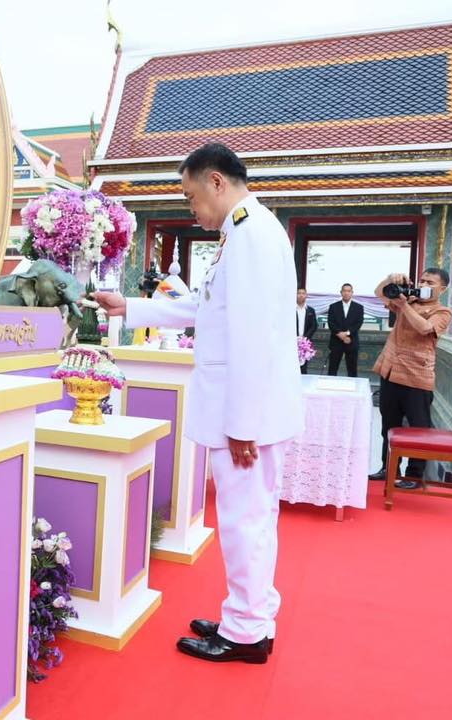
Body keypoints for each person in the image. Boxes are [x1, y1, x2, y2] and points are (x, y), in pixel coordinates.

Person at [93, 143, 303, 664]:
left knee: (243, 520)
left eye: (190, 196)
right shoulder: (245, 230)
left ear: (215, 181)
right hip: (248, 407)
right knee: (252, 517)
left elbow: (252, 336)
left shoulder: (250, 235)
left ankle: (245, 633)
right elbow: (205, 308)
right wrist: (132, 305)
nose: (191, 209)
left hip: (244, 412)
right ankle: (249, 614)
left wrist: (242, 424)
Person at [368, 270, 452, 489]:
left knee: (419, 429)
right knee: (388, 425)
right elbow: (379, 293)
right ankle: (389, 469)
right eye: (422, 280)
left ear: (442, 289)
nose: (424, 284)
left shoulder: (443, 311)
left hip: (417, 376)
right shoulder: (408, 298)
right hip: (391, 370)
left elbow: (425, 328)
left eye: (430, 282)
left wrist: (404, 305)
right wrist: (391, 279)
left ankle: (414, 476)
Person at [326, 283, 364, 377]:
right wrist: (340, 334)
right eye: (344, 291)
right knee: (332, 369)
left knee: (352, 370)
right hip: (336, 341)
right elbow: (331, 323)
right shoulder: (333, 306)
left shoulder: (359, 307)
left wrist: (347, 334)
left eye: (348, 291)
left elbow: (358, 323)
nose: (346, 293)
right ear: (341, 292)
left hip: (351, 341)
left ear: (352, 293)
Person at [296, 288, 318, 373]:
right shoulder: (290, 310)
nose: (301, 295)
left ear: (306, 295)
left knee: (303, 367)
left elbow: (314, 325)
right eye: (299, 293)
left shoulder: (310, 310)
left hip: (305, 343)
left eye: (303, 293)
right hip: (292, 341)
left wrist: (305, 338)